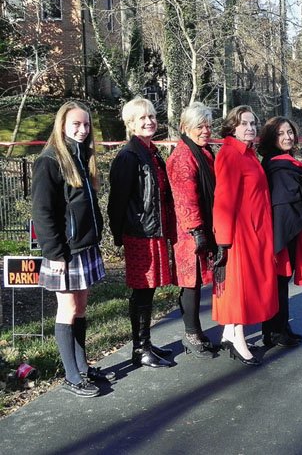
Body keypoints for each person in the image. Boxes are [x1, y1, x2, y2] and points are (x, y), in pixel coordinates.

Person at [32, 101, 113, 397]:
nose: (82, 130)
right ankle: (71, 376)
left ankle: (82, 366)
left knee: (80, 308)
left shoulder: (82, 157)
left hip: (85, 248)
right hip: (63, 253)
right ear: (62, 126)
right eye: (76, 124)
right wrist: (54, 255)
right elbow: (42, 213)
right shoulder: (50, 161)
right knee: (67, 309)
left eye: (86, 125)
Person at [108, 97, 176, 368]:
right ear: (130, 124)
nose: (149, 122)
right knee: (141, 291)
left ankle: (146, 342)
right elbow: (118, 200)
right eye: (142, 118)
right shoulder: (128, 156)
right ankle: (139, 347)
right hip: (139, 233)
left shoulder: (151, 151)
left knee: (149, 291)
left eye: (151, 117)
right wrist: (118, 235)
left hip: (153, 230)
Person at [211, 105, 278, 366]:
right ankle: (237, 335)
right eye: (243, 124)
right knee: (238, 287)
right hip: (239, 234)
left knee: (248, 285)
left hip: (256, 231)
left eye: (252, 123)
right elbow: (223, 200)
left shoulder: (248, 154)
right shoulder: (229, 154)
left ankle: (230, 333)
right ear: (232, 127)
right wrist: (224, 241)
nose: (250, 128)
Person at [258, 116, 302, 349]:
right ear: (272, 138)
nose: (287, 137)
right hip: (281, 231)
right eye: (281, 134)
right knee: (279, 282)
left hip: (287, 229)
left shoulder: (285, 162)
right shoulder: (277, 166)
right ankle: (275, 331)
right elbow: (283, 203)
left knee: (281, 282)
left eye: (290, 132)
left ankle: (280, 328)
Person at [166, 102, 217, 358]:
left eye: (208, 125)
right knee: (191, 283)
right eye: (200, 126)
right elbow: (185, 198)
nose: (206, 130)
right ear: (186, 127)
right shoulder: (183, 156)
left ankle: (196, 329)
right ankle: (191, 334)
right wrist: (197, 230)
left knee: (196, 282)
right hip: (188, 232)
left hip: (201, 226)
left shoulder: (203, 151)